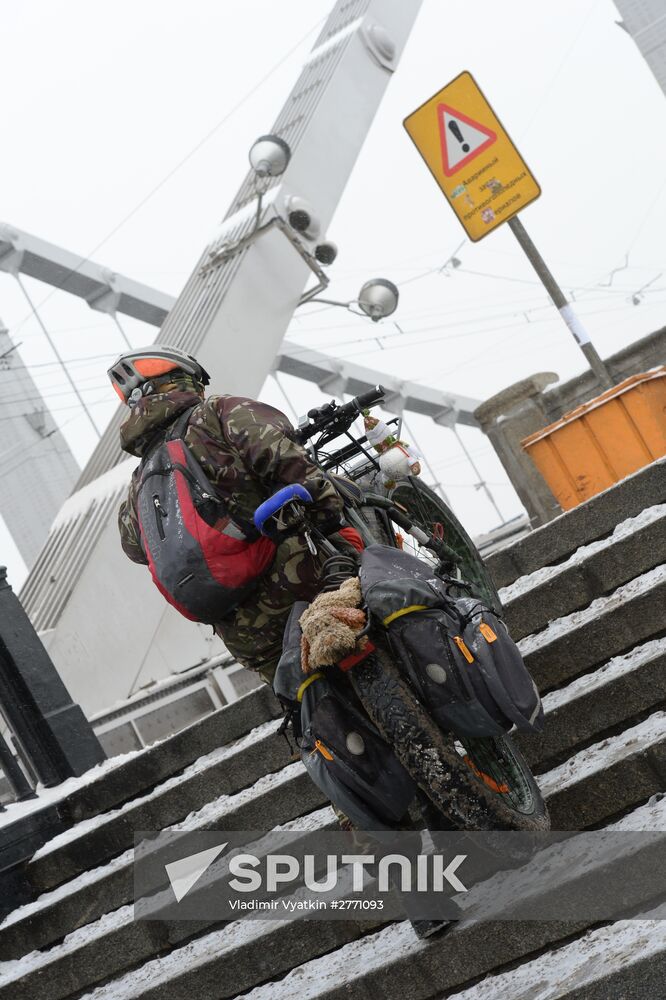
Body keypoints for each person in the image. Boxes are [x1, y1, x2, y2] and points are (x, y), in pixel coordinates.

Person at [109, 344, 362, 685]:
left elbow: (136, 549)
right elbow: (284, 460)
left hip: (243, 630)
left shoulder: (137, 486)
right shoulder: (219, 413)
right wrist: (330, 515)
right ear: (185, 382)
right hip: (309, 580)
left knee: (314, 701)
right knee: (366, 550)